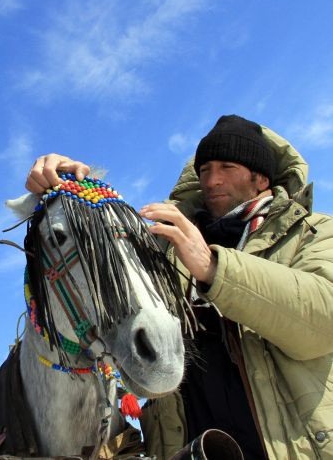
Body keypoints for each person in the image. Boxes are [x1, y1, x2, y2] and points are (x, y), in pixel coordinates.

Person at [26, 115, 333, 459]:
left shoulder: (313, 232)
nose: (212, 180)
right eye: (204, 170)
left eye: (227, 167)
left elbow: (324, 320)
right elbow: (102, 272)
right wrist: (68, 181)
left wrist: (214, 268)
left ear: (260, 178)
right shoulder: (167, 246)